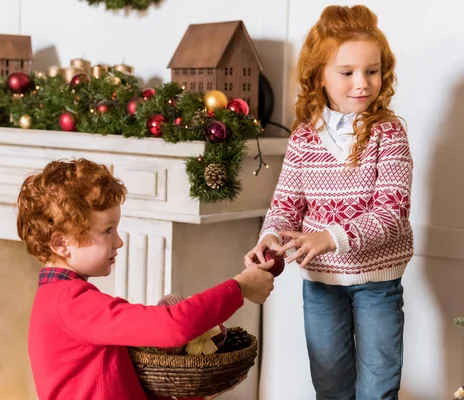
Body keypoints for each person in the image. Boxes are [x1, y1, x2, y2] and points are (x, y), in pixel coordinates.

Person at [244, 5, 413, 400]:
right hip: (320, 285)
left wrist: (328, 237)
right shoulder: (305, 137)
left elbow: (392, 212)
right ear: (319, 74)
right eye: (347, 72)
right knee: (330, 386)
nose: (362, 83)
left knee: (378, 386)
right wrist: (269, 237)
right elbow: (286, 203)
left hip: (377, 282)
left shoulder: (389, 134)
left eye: (372, 71)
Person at [18, 158, 275, 400]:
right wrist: (239, 287)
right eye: (107, 230)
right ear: (61, 243)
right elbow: (172, 327)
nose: (119, 241)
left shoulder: (61, 299)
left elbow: (115, 381)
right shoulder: (72, 304)